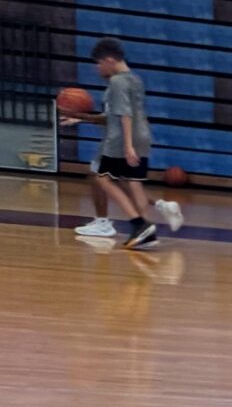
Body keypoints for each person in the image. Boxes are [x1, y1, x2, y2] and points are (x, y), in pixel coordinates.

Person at [65, 39, 178, 250]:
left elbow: (124, 115)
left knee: (104, 179)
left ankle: (137, 224)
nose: (97, 68)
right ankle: (147, 230)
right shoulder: (136, 80)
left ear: (109, 60)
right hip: (143, 135)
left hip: (120, 139)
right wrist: (82, 118)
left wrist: (127, 145)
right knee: (132, 182)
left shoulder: (117, 82)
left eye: (98, 63)